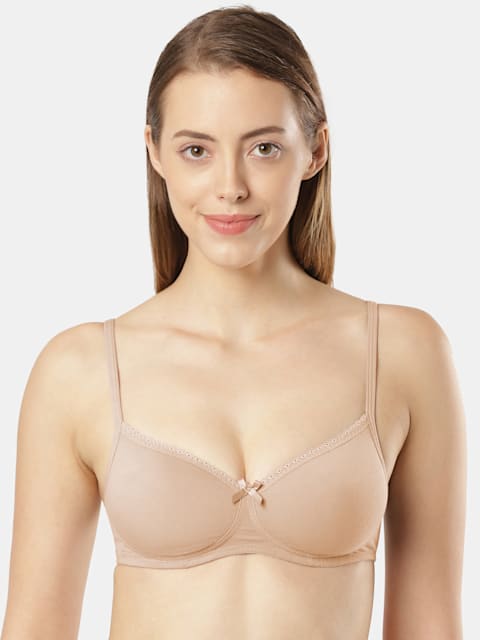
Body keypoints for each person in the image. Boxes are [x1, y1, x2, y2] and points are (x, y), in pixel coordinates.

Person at [1, 5, 466, 639]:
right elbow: (34, 628)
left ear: (315, 150)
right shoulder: (78, 370)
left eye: (263, 148)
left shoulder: (404, 353)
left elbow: (431, 625)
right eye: (196, 150)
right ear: (155, 152)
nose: (230, 186)